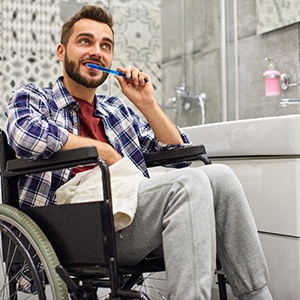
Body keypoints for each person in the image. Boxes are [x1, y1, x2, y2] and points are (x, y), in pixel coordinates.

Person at [5, 5, 273, 300]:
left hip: (127, 214)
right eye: (85, 41)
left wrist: (147, 104)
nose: (97, 51)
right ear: (61, 51)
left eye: (105, 45)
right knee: (190, 183)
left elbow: (181, 156)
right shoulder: (34, 97)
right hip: (72, 228)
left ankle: (256, 295)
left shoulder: (117, 110)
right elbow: (24, 135)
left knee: (220, 176)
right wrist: (102, 151)